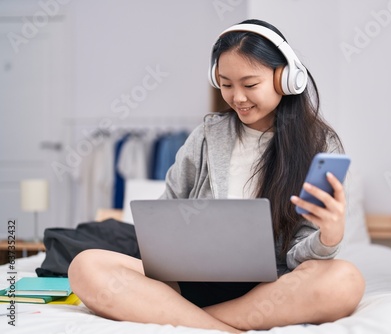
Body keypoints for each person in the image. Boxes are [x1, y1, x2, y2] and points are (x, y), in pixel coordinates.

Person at [68, 19, 365, 332]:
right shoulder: (205, 137)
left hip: (269, 291)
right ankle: (225, 327)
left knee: (345, 281)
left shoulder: (320, 146)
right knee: (85, 267)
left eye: (249, 85)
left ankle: (193, 320)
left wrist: (328, 237)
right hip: (185, 283)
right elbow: (166, 211)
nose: (237, 97)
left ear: (286, 79)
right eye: (226, 84)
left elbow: (300, 259)